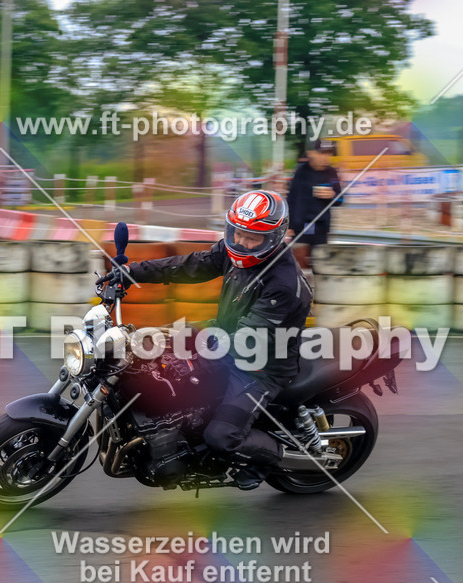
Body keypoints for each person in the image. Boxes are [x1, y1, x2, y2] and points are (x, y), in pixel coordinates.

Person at [97, 190, 313, 490]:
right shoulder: (235, 249)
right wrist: (132, 273)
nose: (242, 242)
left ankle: (268, 459)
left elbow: (248, 339)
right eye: (238, 233)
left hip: (260, 367)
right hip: (225, 333)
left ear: (273, 238)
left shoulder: (284, 286)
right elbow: (192, 265)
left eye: (253, 238)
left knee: (221, 437)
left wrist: (194, 352)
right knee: (148, 352)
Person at [286, 138, 342, 255]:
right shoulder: (301, 171)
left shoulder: (331, 172)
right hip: (301, 226)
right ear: (311, 153)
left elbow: (340, 199)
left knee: (320, 261)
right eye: (321, 153)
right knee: (300, 261)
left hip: (321, 227)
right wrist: (289, 225)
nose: (325, 157)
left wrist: (332, 195)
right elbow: (292, 198)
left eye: (328, 153)